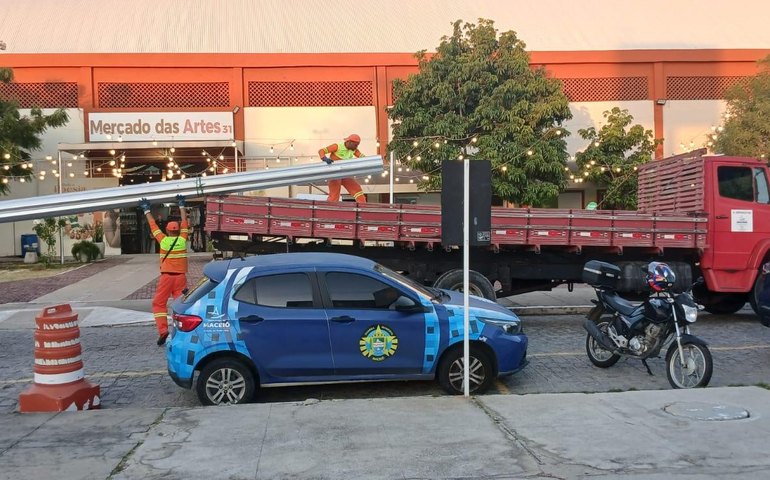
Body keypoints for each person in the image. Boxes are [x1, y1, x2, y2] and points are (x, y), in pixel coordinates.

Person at [139, 194, 189, 346]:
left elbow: (153, 226)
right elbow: (185, 221)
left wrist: (146, 210)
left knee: (158, 304)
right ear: (179, 230)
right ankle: (183, 332)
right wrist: (181, 205)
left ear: (167, 231)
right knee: (181, 305)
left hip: (166, 277)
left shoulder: (164, 240)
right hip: (181, 278)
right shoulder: (183, 239)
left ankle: (163, 331)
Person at [318, 133, 367, 203]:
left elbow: (362, 157)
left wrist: (371, 161)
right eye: (355, 145)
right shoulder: (337, 146)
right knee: (334, 194)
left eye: (357, 145)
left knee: (357, 190)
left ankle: (363, 207)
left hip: (345, 173)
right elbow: (321, 151)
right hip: (334, 174)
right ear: (349, 142)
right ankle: (331, 210)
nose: (356, 147)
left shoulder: (354, 150)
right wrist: (324, 158)